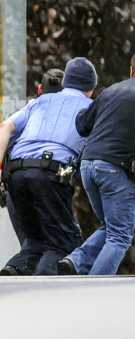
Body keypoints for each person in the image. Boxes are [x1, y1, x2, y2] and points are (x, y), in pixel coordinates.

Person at [0, 58, 96, 276]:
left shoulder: (39, 101)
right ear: (91, 87)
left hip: (16, 174)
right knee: (66, 242)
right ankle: (41, 285)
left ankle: (14, 271)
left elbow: (5, 127)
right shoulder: (91, 107)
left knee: (35, 241)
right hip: (51, 173)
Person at [60, 55, 135, 276]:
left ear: (131, 71)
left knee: (112, 226)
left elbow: (82, 124)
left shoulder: (111, 91)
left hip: (87, 166)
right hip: (114, 169)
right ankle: (94, 288)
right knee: (120, 235)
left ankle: (75, 261)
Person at [3, 68, 66, 248]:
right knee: (60, 244)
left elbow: (4, 137)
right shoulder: (68, 113)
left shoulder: (29, 110)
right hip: (49, 180)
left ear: (40, 89)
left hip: (16, 182)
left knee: (31, 245)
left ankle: (17, 270)